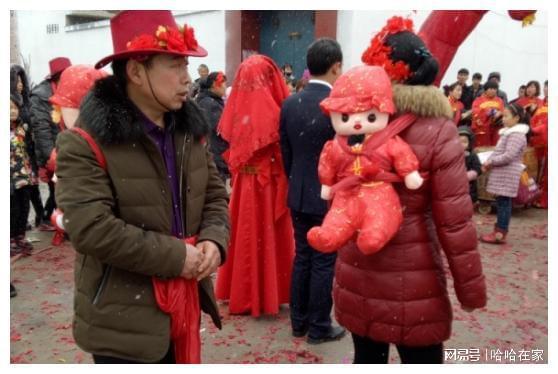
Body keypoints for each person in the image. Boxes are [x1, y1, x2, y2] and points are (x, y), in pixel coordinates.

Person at [54, 10, 229, 364]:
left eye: (186, 66)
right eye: (174, 65)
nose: (187, 78)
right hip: (122, 320)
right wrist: (177, 257)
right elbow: (91, 229)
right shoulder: (86, 141)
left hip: (185, 302)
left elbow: (213, 193)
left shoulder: (187, 131)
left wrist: (213, 238)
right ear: (136, 70)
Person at [344, 15, 486, 364]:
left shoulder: (352, 123)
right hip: (415, 276)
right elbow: (454, 222)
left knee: (367, 358)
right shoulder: (438, 129)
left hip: (358, 265)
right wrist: (470, 289)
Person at [216, 54, 295, 317]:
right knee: (266, 235)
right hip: (267, 183)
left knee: (244, 233)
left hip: (244, 183)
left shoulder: (236, 108)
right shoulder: (276, 110)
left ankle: (242, 291)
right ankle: (269, 292)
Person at [279, 38, 346, 344]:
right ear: (336, 66)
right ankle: (319, 326)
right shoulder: (336, 107)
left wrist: (298, 181)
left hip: (298, 191)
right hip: (327, 195)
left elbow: (287, 152)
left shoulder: (290, 103)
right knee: (323, 260)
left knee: (303, 257)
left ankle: (299, 321)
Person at [29, 57, 72, 230]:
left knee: (62, 191)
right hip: (51, 153)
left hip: (67, 148)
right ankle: (52, 219)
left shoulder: (67, 91)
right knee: (59, 191)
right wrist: (51, 159)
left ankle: (48, 218)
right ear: (57, 78)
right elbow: (42, 132)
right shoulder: (40, 97)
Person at [480, 103, 529, 244]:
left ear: (517, 118)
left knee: (504, 203)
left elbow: (508, 156)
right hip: (504, 172)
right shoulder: (510, 133)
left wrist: (490, 161)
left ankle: (500, 232)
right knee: (503, 202)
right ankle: (499, 231)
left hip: (508, 173)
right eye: (503, 115)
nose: (503, 118)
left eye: (506, 116)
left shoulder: (516, 134)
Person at [11, 64, 45, 230]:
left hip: (28, 150)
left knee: (33, 186)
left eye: (21, 80)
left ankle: (40, 216)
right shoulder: (11, 101)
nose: (20, 84)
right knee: (22, 191)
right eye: (16, 81)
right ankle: (20, 226)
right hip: (17, 152)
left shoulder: (26, 100)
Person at [10, 93, 34, 256]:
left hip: (24, 175)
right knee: (12, 209)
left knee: (25, 206)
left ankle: (20, 236)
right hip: (9, 178)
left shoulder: (22, 128)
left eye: (14, 108)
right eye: (8, 108)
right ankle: (10, 239)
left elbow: (29, 150)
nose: (12, 111)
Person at [195, 71, 230, 182]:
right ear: (215, 85)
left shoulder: (208, 101)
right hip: (215, 155)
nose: (225, 87)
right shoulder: (210, 104)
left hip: (212, 154)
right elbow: (222, 129)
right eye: (223, 83)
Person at [529, 80, 548, 209]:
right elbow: (534, 120)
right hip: (538, 142)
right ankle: (539, 198)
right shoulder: (541, 104)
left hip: (546, 141)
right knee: (540, 172)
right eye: (546, 86)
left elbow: (546, 125)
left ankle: (544, 200)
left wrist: (534, 130)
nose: (547, 89)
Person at [472, 80, 505, 147]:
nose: (493, 91)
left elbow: (503, 111)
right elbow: (475, 112)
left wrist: (499, 113)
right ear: (485, 90)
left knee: (495, 147)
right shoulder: (478, 100)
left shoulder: (499, 100)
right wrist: (487, 112)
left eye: (495, 89)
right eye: (490, 89)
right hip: (482, 128)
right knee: (483, 149)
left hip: (496, 128)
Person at [458, 126, 482, 204]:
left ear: (469, 143)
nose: (462, 144)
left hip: (469, 187)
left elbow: (478, 168)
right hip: (455, 187)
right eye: (459, 141)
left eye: (464, 142)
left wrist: (468, 176)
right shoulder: (452, 155)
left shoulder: (472, 155)